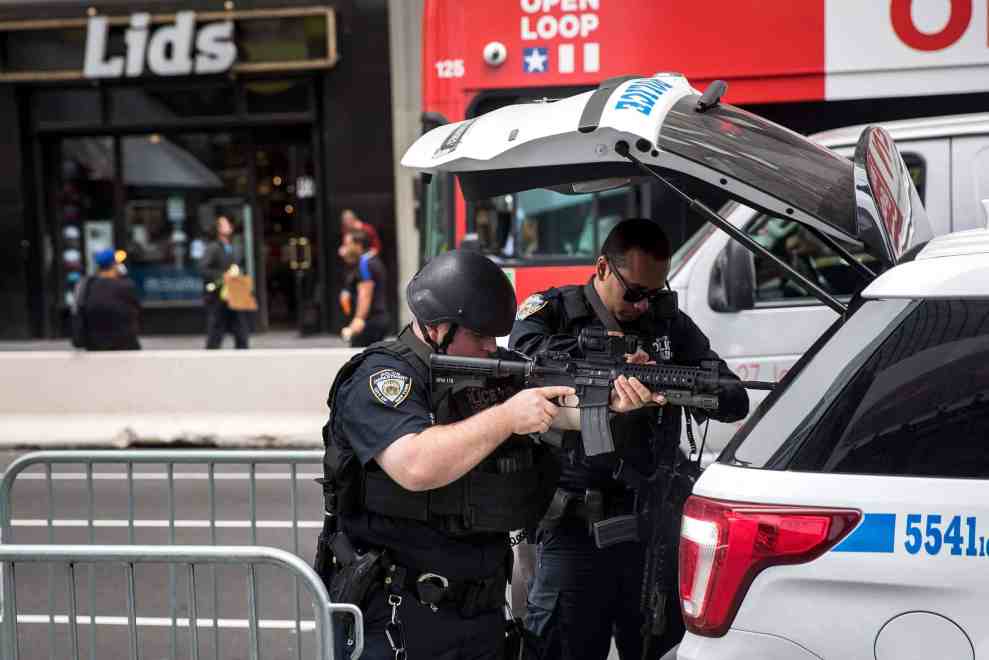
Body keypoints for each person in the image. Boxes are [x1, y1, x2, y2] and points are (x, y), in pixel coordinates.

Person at [314, 250, 581, 660]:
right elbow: (415, 464)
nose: (492, 348)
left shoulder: (490, 367)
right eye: (479, 336)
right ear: (436, 327)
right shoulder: (383, 377)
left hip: (480, 614)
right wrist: (508, 417)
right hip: (400, 615)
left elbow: (561, 406)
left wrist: (616, 397)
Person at [509, 219, 750, 660]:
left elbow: (733, 396)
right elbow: (525, 365)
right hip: (575, 530)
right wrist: (610, 363)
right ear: (603, 268)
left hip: (652, 530)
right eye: (634, 292)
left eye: (653, 294)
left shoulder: (667, 325)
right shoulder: (552, 312)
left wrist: (675, 388)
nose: (643, 306)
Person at [74, 248, 141, 351]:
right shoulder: (125, 285)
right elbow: (137, 309)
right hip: (124, 344)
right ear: (114, 265)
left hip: (94, 344)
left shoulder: (87, 285)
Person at [200, 214, 249, 349]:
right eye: (225, 224)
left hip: (234, 294)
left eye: (229, 223)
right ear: (218, 230)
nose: (229, 226)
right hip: (218, 297)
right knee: (216, 331)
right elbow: (203, 270)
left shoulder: (233, 247)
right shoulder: (213, 248)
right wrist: (223, 275)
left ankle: (243, 357)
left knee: (241, 330)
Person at [337, 230, 391, 347]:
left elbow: (365, 294)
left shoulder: (365, 263)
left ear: (358, 245)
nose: (344, 248)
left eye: (347, 244)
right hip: (377, 319)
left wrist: (358, 320)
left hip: (370, 321)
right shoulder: (369, 260)